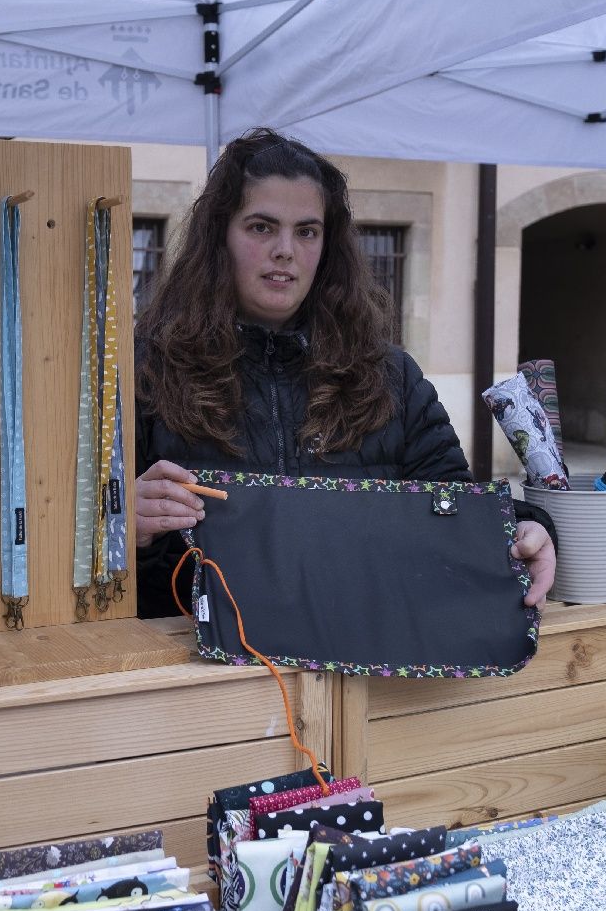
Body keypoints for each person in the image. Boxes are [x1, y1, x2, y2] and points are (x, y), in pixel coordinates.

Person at [132, 128, 557, 618]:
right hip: (204, 669)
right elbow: (83, 553)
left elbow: (452, 507)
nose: (286, 250)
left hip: (360, 659)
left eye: (307, 231)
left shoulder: (390, 376)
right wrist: (127, 530)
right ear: (219, 237)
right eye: (261, 227)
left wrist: (526, 526)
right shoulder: (150, 370)